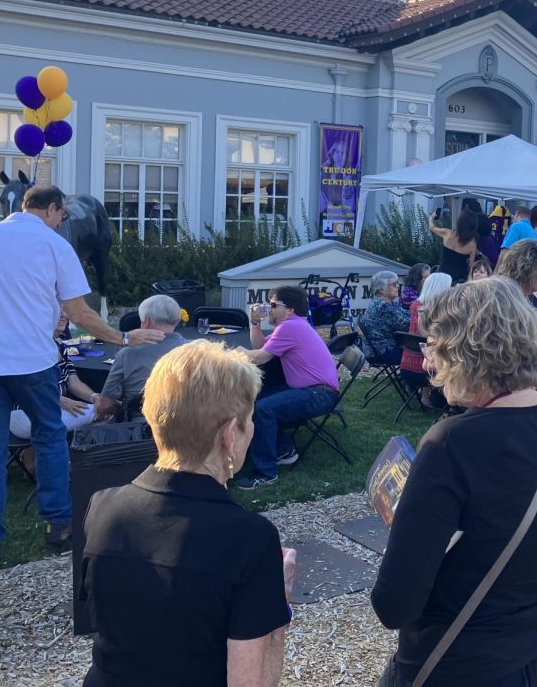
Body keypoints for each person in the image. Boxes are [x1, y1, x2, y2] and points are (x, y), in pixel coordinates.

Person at [371, 276, 537, 686]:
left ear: (467, 352)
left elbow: (394, 604)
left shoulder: (450, 443)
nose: (430, 363)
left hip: (463, 661)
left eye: (436, 347)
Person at [0, 183, 163, 571]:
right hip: (32, 361)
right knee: (50, 438)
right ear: (53, 210)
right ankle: (58, 523)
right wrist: (123, 337)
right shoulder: (55, 245)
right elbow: (79, 312)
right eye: (62, 216)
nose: (62, 222)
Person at [79, 340, 297, 687]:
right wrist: (279, 604)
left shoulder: (103, 506)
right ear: (229, 435)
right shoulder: (249, 540)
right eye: (250, 419)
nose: (251, 429)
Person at [238, 285, 340, 489]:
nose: (269, 308)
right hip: (314, 390)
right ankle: (284, 450)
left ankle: (266, 473)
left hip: (319, 393)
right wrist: (255, 322)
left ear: (290, 309)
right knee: (257, 399)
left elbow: (259, 357)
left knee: (264, 408)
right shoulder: (293, 325)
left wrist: (234, 352)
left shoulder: (290, 327)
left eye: (273, 304)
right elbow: (261, 347)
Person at [10, 312, 97, 462]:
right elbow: (22, 385)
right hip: (23, 412)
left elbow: (74, 383)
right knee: (104, 412)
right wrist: (59, 400)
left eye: (65, 310)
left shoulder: (60, 346)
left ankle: (35, 458)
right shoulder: (28, 347)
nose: (63, 315)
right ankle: (82, 462)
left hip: (49, 407)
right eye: (56, 310)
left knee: (101, 406)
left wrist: (96, 397)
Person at [95, 294, 187, 422]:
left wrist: (123, 412)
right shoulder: (196, 350)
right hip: (188, 426)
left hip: (141, 430)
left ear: (147, 321)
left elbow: (105, 404)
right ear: (177, 320)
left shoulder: (127, 355)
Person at [399, 272, 453, 406]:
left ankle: (426, 395)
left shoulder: (415, 305)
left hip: (407, 364)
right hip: (426, 368)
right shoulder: (438, 310)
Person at [359, 271, 411, 365]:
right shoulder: (383, 306)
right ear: (382, 289)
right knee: (420, 351)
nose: (398, 286)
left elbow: (405, 313)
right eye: (394, 284)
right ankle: (417, 378)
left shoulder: (383, 302)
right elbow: (406, 325)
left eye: (398, 283)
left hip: (378, 350)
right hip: (382, 352)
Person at [428, 208, 477, 284]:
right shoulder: (472, 244)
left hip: (442, 273)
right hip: (459, 278)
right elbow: (471, 265)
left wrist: (431, 218)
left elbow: (432, 228)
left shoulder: (447, 233)